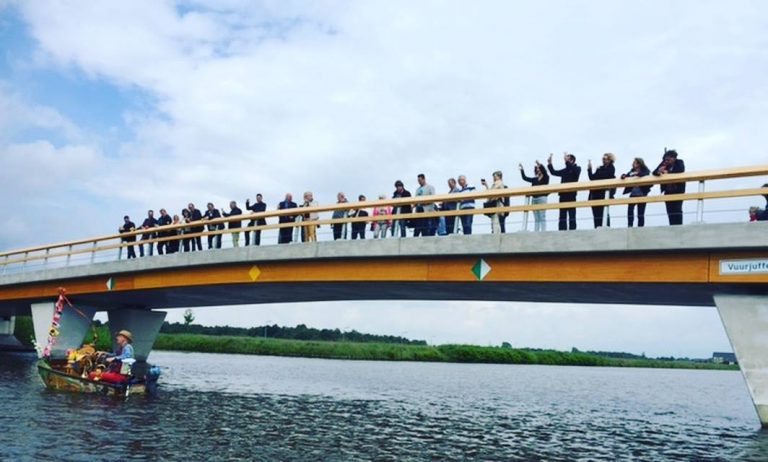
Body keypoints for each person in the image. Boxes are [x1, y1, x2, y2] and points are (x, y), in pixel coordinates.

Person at [548, 152, 582, 230]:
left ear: (572, 160)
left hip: (572, 195)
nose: (565, 161)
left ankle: (572, 230)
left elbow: (574, 172)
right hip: (563, 195)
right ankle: (561, 230)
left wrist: (567, 162)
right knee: (562, 215)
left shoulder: (577, 168)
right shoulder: (564, 170)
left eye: (568, 159)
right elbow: (553, 172)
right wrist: (550, 164)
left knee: (572, 214)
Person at [653, 149, 686, 225]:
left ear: (674, 158)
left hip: (678, 190)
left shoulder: (679, 162)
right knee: (669, 210)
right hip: (668, 191)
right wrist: (659, 171)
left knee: (677, 209)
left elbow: (680, 170)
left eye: (669, 159)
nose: (667, 161)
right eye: (666, 159)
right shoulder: (664, 163)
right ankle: (672, 226)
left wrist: (668, 172)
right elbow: (654, 172)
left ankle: (679, 226)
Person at [587, 153, 617, 228]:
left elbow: (606, 176)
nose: (603, 160)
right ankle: (597, 227)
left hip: (603, 194)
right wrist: (590, 169)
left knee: (604, 212)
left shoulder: (611, 168)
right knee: (596, 213)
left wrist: (599, 170)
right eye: (603, 159)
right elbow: (592, 178)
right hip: (595, 194)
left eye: (605, 159)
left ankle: (606, 227)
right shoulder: (600, 168)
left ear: (610, 160)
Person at [520, 161, 550, 232]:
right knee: (536, 217)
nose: (538, 170)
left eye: (539, 169)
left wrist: (539, 164)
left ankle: (543, 231)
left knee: (542, 216)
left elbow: (544, 171)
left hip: (542, 198)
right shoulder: (534, 179)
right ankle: (536, 231)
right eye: (537, 169)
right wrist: (522, 169)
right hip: (534, 199)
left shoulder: (546, 177)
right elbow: (525, 178)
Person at [621, 158, 651, 227]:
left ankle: (640, 227)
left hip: (642, 194)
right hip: (633, 193)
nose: (632, 164)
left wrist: (637, 173)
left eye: (634, 163)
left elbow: (646, 174)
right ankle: (630, 225)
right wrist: (623, 176)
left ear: (639, 164)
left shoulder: (645, 170)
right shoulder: (632, 171)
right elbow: (627, 175)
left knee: (640, 213)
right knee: (630, 211)